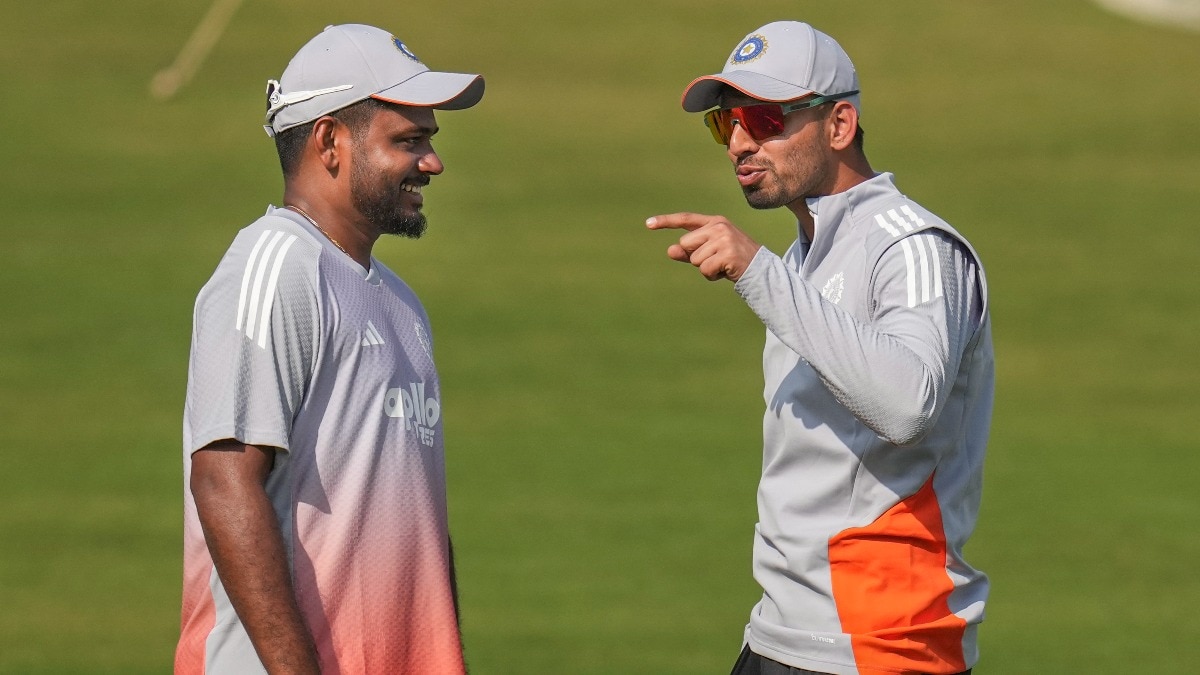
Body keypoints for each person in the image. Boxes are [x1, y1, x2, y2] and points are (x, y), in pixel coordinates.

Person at [647, 21, 994, 675]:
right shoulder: (800, 260)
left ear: (839, 125)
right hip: (780, 635)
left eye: (764, 119)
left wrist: (758, 273)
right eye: (725, 125)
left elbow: (908, 404)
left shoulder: (913, 246)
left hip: (881, 648)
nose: (740, 143)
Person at [175, 23, 484, 674]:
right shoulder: (275, 266)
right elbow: (224, 480)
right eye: (409, 141)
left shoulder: (401, 302)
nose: (433, 162)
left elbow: (419, 521)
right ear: (329, 140)